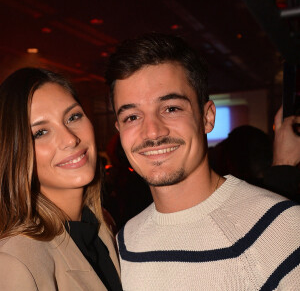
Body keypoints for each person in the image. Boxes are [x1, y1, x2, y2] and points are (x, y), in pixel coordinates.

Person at [105, 33, 300, 290]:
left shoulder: (282, 228)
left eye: (171, 108)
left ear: (207, 117)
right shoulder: (122, 243)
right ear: (119, 129)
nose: (152, 132)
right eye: (132, 117)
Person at [0, 68, 122, 291]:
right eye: (40, 132)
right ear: (16, 153)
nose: (70, 139)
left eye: (73, 117)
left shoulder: (104, 225)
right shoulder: (15, 261)